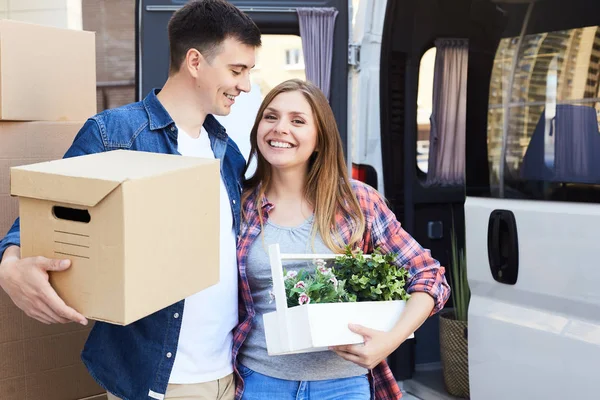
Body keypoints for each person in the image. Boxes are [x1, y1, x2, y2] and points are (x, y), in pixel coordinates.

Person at [0, 1, 261, 399]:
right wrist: (10, 264)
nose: (244, 85)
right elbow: (44, 217)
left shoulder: (227, 151)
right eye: (237, 70)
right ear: (194, 61)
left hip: (228, 373)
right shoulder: (114, 134)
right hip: (156, 379)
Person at [233, 79, 451, 400]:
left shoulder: (356, 201)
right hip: (261, 381)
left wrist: (390, 340)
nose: (280, 128)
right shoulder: (239, 205)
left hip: (343, 385)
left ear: (320, 139)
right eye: (271, 117)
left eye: (297, 121)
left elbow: (428, 275)